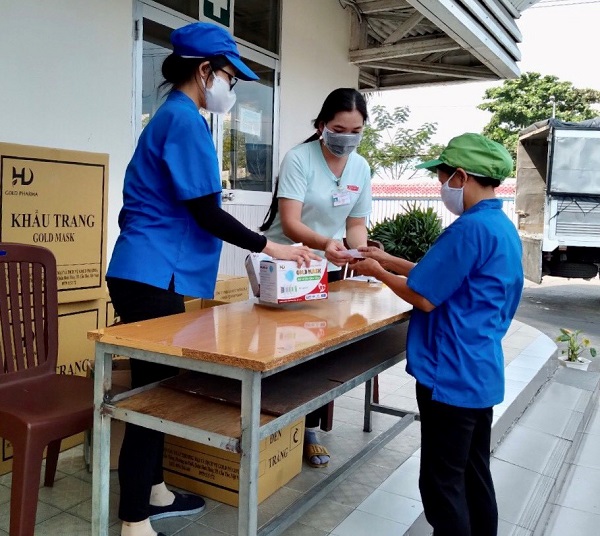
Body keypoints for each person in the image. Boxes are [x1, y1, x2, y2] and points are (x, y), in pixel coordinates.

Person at [105, 22, 318, 536]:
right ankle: (134, 518)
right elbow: (206, 213)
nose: (233, 87)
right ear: (205, 71)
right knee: (152, 396)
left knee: (159, 386)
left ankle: (154, 489)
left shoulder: (173, 118)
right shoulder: (183, 120)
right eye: (229, 76)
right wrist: (275, 247)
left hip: (148, 270)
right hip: (151, 274)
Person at [349, 133, 524, 536]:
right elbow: (442, 275)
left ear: (462, 177)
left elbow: (425, 296)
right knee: (473, 473)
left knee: (441, 483)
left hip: (451, 374)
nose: (440, 187)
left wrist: (376, 272)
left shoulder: (468, 229)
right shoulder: (498, 226)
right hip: (478, 371)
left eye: (442, 178)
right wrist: (386, 258)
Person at [260, 88, 371, 468]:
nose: (347, 138)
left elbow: (356, 224)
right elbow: (290, 223)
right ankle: (272, 427)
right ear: (322, 125)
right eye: (340, 129)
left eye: (356, 131)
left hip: (332, 265)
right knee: (284, 350)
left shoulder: (361, 167)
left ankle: (307, 429)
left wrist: (360, 253)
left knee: (321, 352)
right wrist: (327, 243)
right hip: (287, 266)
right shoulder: (299, 159)